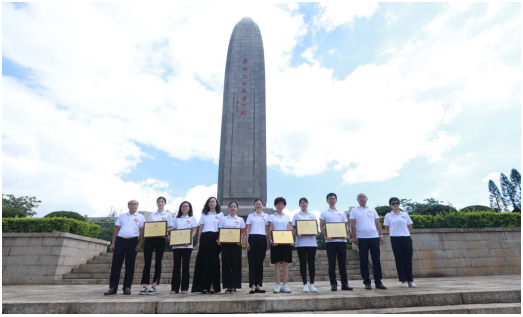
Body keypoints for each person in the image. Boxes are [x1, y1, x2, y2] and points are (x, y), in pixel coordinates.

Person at [104, 200, 145, 295]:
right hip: (120, 241)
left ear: (137, 206)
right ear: (128, 206)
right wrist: (113, 243)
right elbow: (116, 230)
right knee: (116, 265)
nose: (133, 206)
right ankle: (113, 288)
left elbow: (142, 231)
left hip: (133, 242)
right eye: (131, 204)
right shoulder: (122, 215)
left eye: (135, 204)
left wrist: (140, 244)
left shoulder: (141, 217)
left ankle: (127, 287)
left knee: (130, 265)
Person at [350, 193, 387, 290]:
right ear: (357, 199)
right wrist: (354, 237)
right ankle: (367, 282)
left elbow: (377, 223)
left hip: (374, 237)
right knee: (363, 260)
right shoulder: (354, 211)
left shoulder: (372, 209)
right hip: (361, 238)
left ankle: (378, 282)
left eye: (363, 197)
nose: (362, 199)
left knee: (376, 260)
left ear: (367, 199)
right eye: (360, 197)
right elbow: (352, 225)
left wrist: (381, 235)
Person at [139, 197, 174, 295]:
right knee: (147, 262)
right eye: (158, 201)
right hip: (150, 239)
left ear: (165, 203)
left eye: (162, 202)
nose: (160, 203)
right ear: (156, 203)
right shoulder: (152, 214)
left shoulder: (168, 215)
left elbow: (171, 227)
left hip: (160, 240)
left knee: (158, 262)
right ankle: (144, 285)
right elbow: (149, 226)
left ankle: (154, 285)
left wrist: (165, 230)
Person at [319, 193, 353, 291]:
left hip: (342, 241)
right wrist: (325, 235)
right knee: (331, 263)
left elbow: (346, 225)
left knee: (342, 263)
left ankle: (344, 284)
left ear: (336, 200)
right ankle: (333, 284)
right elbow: (321, 225)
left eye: (333, 199)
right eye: (330, 199)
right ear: (327, 201)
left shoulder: (341, 212)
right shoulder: (324, 213)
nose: (332, 200)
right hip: (330, 242)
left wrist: (347, 234)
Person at [191, 197, 223, 294]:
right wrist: (198, 242)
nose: (212, 203)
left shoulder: (220, 215)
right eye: (210, 202)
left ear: (216, 203)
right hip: (205, 238)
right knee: (204, 263)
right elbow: (200, 229)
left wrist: (220, 239)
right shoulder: (204, 215)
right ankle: (204, 286)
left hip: (215, 239)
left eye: (213, 201)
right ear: (208, 204)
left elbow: (221, 228)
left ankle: (212, 286)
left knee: (214, 263)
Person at [384, 197, 416, 288]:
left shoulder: (405, 214)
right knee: (399, 260)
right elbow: (387, 227)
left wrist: (404, 232)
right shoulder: (388, 216)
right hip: (395, 238)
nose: (395, 205)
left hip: (406, 238)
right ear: (390, 205)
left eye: (397, 203)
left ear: (399, 204)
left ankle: (410, 280)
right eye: (393, 203)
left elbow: (409, 226)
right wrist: (394, 233)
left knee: (408, 260)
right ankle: (403, 280)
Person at [218, 201, 246, 294]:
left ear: (237, 209)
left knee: (236, 265)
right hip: (225, 245)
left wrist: (241, 241)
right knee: (226, 265)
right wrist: (219, 240)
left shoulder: (240, 219)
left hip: (236, 245)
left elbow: (243, 232)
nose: (233, 208)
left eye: (234, 206)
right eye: (231, 206)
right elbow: (220, 231)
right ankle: (227, 286)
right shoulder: (223, 219)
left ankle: (234, 286)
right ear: (229, 208)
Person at [170, 201, 197, 294]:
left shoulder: (192, 218)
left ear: (189, 208)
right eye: (182, 206)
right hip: (177, 246)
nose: (184, 208)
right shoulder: (177, 219)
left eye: (186, 206)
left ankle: (184, 288)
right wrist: (171, 238)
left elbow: (194, 230)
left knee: (186, 266)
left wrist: (189, 239)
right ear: (180, 208)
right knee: (176, 266)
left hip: (187, 246)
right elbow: (174, 230)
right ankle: (174, 288)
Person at [292, 197, 318, 293]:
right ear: (299, 205)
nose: (304, 204)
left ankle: (312, 284)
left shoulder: (312, 215)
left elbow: (316, 227)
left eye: (305, 203)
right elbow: (294, 228)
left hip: (312, 243)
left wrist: (316, 233)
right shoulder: (296, 215)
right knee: (303, 263)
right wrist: (296, 233)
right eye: (302, 203)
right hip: (301, 243)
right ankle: (305, 284)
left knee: (312, 263)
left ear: (307, 204)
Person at [268, 197, 294, 293]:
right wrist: (271, 240)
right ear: (275, 205)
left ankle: (285, 284)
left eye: (282, 204)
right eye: (278, 204)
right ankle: (278, 284)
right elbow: (270, 229)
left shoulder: (287, 217)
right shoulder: (271, 216)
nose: (280, 205)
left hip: (286, 243)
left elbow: (289, 229)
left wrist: (291, 240)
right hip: (276, 243)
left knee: (286, 263)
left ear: (284, 206)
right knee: (277, 264)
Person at [246, 199, 270, 294]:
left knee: (260, 263)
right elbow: (248, 229)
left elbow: (267, 230)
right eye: (257, 204)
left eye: (260, 204)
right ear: (254, 206)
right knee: (252, 262)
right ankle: (252, 285)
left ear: (262, 205)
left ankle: (258, 285)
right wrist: (247, 241)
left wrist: (268, 241)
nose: (258, 205)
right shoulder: (250, 216)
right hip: (252, 238)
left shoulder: (266, 216)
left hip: (262, 239)